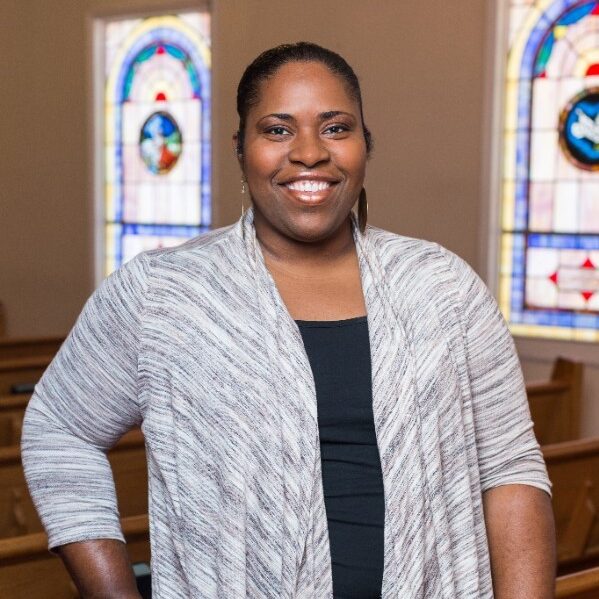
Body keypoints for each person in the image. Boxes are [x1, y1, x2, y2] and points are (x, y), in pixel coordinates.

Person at [22, 42, 556, 598]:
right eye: (278, 130)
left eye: (335, 128)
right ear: (240, 148)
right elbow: (60, 428)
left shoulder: (443, 287)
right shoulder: (162, 294)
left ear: (364, 144)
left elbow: (508, 467)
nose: (308, 153)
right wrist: (112, 592)